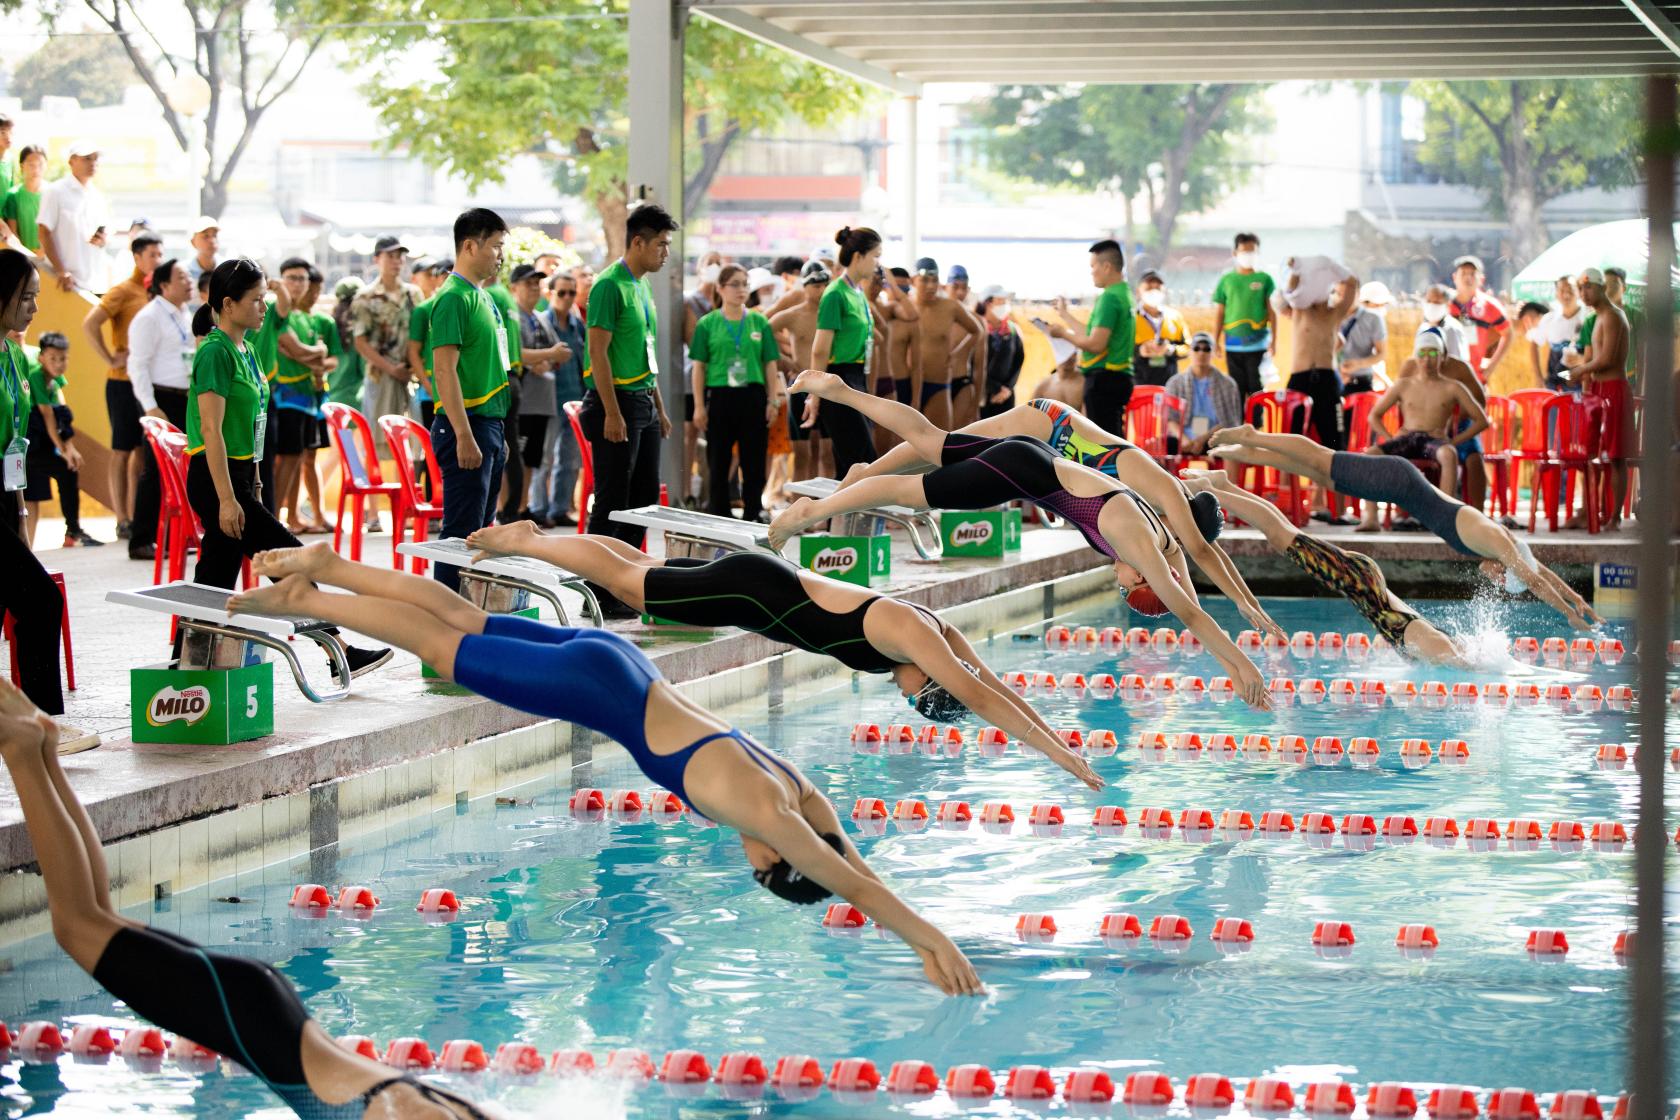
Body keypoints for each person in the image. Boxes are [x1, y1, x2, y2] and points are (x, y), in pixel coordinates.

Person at [217, 549, 985, 997]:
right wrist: (925, 939)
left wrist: (871, 883)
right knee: (440, 644)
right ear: (773, 856)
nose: (752, 860)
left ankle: (327, 571)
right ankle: (311, 600)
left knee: (462, 619)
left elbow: (840, 850)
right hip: (597, 689)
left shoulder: (789, 786)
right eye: (762, 870)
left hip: (627, 664)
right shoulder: (759, 811)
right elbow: (837, 872)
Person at [0, 679, 503, 1118]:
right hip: (246, 1016)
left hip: (263, 1011)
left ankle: (43, 750)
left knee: (94, 918)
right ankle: (24, 753)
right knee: (76, 925)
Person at [470, 520, 1101, 792]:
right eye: (913, 696)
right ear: (926, 682)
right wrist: (1060, 757)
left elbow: (987, 682)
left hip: (759, 587)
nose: (902, 693)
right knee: (631, 584)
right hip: (753, 591)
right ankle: (533, 542)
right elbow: (984, 698)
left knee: (639, 569)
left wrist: (1055, 736)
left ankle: (543, 541)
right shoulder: (911, 637)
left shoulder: (934, 636)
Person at [772, 371, 1274, 707]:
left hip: (1030, 459)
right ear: (1140, 575)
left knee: (930, 444)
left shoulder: (1160, 542)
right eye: (1125, 586)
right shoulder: (1139, 539)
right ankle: (812, 508)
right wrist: (1242, 663)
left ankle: (842, 402)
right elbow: (1189, 606)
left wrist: (1236, 648)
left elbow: (1187, 596)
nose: (1116, 578)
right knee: (913, 485)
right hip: (1020, 467)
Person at [837, 392, 1281, 640]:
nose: (1179, 546)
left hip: (1045, 451)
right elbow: (1202, 553)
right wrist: (1246, 602)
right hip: (1046, 427)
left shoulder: (1159, 516)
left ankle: (869, 474)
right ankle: (867, 471)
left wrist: (1232, 607)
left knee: (942, 454)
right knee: (940, 444)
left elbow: (1189, 573)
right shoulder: (1163, 491)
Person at [185, 258, 391, 676]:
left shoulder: (247, 350)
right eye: (256, 300)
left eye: (265, 298)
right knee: (289, 559)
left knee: (215, 576)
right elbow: (211, 429)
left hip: (241, 476)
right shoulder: (214, 353)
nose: (265, 306)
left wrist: (255, 482)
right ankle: (339, 649)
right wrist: (228, 498)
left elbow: (253, 424)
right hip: (215, 476)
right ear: (228, 304)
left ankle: (190, 664)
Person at [1206, 423, 1600, 629]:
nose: (1497, 580)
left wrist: (1577, 601)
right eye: (1504, 580)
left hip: (1399, 485)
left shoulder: (1502, 549)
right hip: (1399, 481)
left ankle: (1250, 452)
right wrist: (1566, 615)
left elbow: (1537, 570)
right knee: (1322, 460)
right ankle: (1255, 437)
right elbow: (1534, 578)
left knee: (1322, 475)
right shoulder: (1498, 543)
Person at [1180, 470, 1472, 666]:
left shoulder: (1430, 638)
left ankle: (1224, 486)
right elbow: (1461, 662)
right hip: (1357, 580)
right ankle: (1215, 489)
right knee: (1280, 533)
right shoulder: (1438, 649)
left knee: (1284, 531)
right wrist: (1473, 669)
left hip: (1362, 578)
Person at [0, 252, 96, 748]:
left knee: (28, 601)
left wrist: (18, 511)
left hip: (3, 494)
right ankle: (42, 723)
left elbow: (14, 438)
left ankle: (33, 722)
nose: (35, 307)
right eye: (26, 298)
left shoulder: (15, 356)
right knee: (41, 600)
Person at [582, 204, 677, 605]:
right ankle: (597, 589)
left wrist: (659, 407)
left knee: (643, 502)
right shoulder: (609, 285)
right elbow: (598, 353)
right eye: (660, 244)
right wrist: (613, 412)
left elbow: (644, 351)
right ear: (638, 242)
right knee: (612, 502)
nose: (665, 253)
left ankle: (627, 582)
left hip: (643, 403)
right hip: (614, 404)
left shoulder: (641, 287)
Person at [427, 209, 511, 592]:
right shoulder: (452, 299)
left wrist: (496, 431)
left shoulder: (483, 298)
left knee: (481, 531)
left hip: (488, 423)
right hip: (467, 425)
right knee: (460, 535)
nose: (500, 256)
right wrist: (463, 434)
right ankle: (445, 621)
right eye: (495, 247)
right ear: (469, 245)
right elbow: (444, 371)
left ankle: (469, 615)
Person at [83, 232, 161, 554]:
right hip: (120, 381)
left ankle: (136, 515)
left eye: (160, 254)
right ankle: (121, 517)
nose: (157, 260)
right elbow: (91, 323)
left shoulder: (157, 293)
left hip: (147, 382)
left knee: (142, 453)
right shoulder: (123, 291)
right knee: (121, 450)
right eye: (152, 254)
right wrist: (109, 356)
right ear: (137, 257)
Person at [690, 264, 786, 523]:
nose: (741, 289)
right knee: (718, 459)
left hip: (752, 396)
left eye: (745, 284)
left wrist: (773, 400)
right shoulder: (708, 324)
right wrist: (699, 405)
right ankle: (719, 512)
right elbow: (698, 367)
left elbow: (770, 364)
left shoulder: (759, 321)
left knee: (754, 458)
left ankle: (753, 510)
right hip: (720, 396)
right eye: (735, 284)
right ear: (720, 288)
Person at [1360, 327, 1489, 513]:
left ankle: (1445, 513)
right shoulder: (1403, 384)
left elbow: (1481, 420)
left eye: (1433, 354)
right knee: (1371, 453)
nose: (1427, 359)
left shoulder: (1453, 386)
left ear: (1442, 357)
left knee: (1449, 454)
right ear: (1416, 357)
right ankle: (1370, 517)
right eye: (1422, 354)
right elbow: (1374, 416)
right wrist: (1390, 437)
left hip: (1433, 440)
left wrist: (1453, 441)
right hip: (1407, 438)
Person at [125, 258, 196, 549]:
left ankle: (173, 537)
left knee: (182, 470)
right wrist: (150, 406)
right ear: (164, 285)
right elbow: (137, 365)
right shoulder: (149, 317)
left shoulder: (184, 313)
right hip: (160, 398)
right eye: (181, 277)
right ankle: (141, 539)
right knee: (155, 470)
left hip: (184, 398)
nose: (189, 280)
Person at [802, 226, 883, 478]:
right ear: (859, 257)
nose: (878, 264)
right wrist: (815, 394)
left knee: (851, 464)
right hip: (838, 380)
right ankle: (854, 517)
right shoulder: (835, 294)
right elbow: (820, 349)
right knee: (862, 463)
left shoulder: (857, 293)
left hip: (857, 378)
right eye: (876, 256)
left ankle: (841, 519)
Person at [1047, 239, 1133, 435]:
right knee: (1112, 437)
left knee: (1102, 443)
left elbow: (1095, 344)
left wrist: (1062, 334)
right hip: (1118, 378)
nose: (1091, 272)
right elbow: (1092, 333)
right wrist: (1064, 315)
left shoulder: (1109, 297)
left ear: (1107, 266)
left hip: (1105, 379)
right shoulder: (1124, 293)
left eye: (1093, 266)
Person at [1568, 267, 1632, 529]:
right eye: (1580, 289)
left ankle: (1615, 517)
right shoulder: (1596, 318)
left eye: (1588, 288)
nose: (1584, 294)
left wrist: (1580, 370)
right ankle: (1590, 511)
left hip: (1614, 389)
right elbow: (1593, 359)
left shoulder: (1614, 316)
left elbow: (1608, 359)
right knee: (1589, 454)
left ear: (1601, 288)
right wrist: (1584, 382)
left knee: (1617, 457)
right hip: (1597, 391)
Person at [274, 261, 334, 534]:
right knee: (286, 459)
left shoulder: (311, 319)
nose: (297, 283)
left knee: (298, 458)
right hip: (284, 395)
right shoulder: (278, 312)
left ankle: (293, 516)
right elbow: (292, 351)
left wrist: (313, 355)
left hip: (308, 396)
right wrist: (316, 353)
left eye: (302, 278)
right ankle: (275, 517)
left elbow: (319, 356)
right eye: (291, 278)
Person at [22, 332, 97, 547]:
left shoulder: (55, 379)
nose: (58, 364)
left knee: (68, 471)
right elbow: (48, 417)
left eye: (63, 358)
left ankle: (72, 530)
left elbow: (61, 413)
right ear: (41, 357)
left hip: (46, 439)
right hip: (32, 443)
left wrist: (70, 448)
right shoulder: (36, 376)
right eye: (53, 358)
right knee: (63, 470)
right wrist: (64, 451)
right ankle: (72, 529)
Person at [1278, 257, 1358, 459]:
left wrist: (1332, 266)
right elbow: (1291, 290)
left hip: (1327, 379)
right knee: (1290, 444)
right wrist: (1298, 269)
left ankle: (1328, 491)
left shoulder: (1335, 313)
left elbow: (1352, 283)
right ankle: (1287, 489)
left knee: (1335, 445)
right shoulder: (1299, 310)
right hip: (1300, 379)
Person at [350, 235, 418, 458]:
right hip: (381, 376)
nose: (396, 261)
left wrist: (413, 369)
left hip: (411, 377)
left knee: (412, 443)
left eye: (400, 256)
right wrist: (392, 369)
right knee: (378, 442)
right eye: (390, 256)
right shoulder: (365, 297)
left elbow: (421, 336)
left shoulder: (413, 294)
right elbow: (360, 342)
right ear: (377, 259)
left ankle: (407, 492)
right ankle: (377, 492)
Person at [509, 263, 566, 523]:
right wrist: (545, 356)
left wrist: (547, 359)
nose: (533, 288)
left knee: (533, 459)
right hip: (523, 400)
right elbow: (516, 354)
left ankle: (523, 507)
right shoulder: (512, 318)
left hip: (542, 400)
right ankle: (508, 508)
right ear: (514, 288)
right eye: (527, 283)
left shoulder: (540, 317)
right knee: (515, 459)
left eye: (536, 283)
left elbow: (560, 351)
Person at [769, 260, 833, 483]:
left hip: (827, 385)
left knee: (828, 454)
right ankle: (799, 511)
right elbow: (760, 333)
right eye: (816, 285)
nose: (821, 290)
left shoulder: (834, 314)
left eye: (825, 284)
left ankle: (826, 515)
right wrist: (785, 361)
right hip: (801, 385)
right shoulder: (794, 315)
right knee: (802, 455)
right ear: (804, 287)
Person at [907, 256, 983, 432]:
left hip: (938, 385)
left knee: (941, 446)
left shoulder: (950, 307)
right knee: (902, 448)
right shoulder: (904, 307)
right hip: (906, 384)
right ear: (913, 281)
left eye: (934, 280)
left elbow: (977, 330)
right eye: (925, 280)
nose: (931, 286)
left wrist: (956, 353)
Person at [538, 272, 586, 526]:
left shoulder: (578, 325)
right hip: (548, 400)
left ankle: (559, 509)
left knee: (569, 459)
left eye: (571, 292)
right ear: (550, 293)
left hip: (574, 398)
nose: (567, 298)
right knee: (545, 458)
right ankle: (539, 509)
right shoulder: (542, 322)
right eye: (562, 292)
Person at [35, 142, 112, 294]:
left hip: (94, 283)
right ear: (71, 161)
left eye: (95, 159)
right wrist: (61, 271)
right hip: (65, 282)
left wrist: (102, 239)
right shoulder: (55, 191)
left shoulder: (97, 196)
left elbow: (105, 235)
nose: (93, 163)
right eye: (87, 158)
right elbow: (44, 232)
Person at [682, 251, 724, 507]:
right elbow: (693, 341)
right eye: (710, 264)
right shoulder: (690, 301)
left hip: (720, 379)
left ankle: (712, 491)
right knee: (690, 433)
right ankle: (687, 490)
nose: (715, 268)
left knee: (718, 437)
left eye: (719, 264)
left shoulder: (726, 303)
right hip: (693, 376)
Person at [1212, 233, 1276, 399]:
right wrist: (1216, 340)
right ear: (1235, 253)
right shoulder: (1227, 280)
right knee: (1236, 390)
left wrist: (1274, 342)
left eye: (1252, 251)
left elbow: (1272, 312)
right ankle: (1238, 424)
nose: (1248, 255)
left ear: (1258, 253)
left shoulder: (1265, 279)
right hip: (1232, 345)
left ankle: (1257, 424)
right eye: (1244, 251)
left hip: (1258, 345)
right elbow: (1220, 312)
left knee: (1257, 388)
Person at [1163, 331, 1243, 455]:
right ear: (1190, 352)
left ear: (1213, 353)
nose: (1201, 353)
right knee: (1162, 445)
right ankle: (1168, 475)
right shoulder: (1175, 383)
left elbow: (1231, 422)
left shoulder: (1227, 384)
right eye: (1196, 348)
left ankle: (1229, 475)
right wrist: (1184, 439)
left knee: (1229, 445)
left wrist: (1203, 438)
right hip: (1184, 436)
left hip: (1215, 436)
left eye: (1206, 349)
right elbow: (1170, 419)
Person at [1448, 255, 1511, 380]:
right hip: (1446, 375)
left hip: (1474, 376)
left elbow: (1509, 333)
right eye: (1464, 273)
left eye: (1472, 273)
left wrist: (1491, 366)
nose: (1468, 277)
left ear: (1481, 279)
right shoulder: (1444, 304)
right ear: (1455, 278)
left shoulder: (1490, 305)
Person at [1132, 270, 1190, 388]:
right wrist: (1139, 351)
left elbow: (1188, 348)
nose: (1154, 292)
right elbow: (1119, 349)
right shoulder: (1130, 319)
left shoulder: (1175, 317)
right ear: (1138, 291)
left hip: (1170, 384)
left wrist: (1170, 350)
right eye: (1148, 288)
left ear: (1165, 291)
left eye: (1158, 288)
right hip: (1139, 383)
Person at [976, 285, 1023, 418]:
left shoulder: (1012, 330)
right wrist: (995, 388)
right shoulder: (977, 328)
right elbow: (973, 364)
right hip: (982, 396)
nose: (1005, 305)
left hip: (1006, 397)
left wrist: (1007, 388)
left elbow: (1019, 360)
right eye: (1001, 300)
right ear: (988, 303)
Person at [1529, 275, 1584, 391]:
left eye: (1570, 290)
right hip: (1554, 387)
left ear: (1579, 292)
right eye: (1562, 290)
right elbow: (1534, 344)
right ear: (1556, 294)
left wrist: (1583, 359)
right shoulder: (1549, 319)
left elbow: (1602, 352)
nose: (1566, 294)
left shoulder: (1588, 319)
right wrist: (1538, 376)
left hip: (1581, 387)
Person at [1338, 280, 1391, 397]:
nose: (1379, 308)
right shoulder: (1332, 317)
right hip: (1336, 381)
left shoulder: (1374, 319)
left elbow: (1381, 354)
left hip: (1362, 383)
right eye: (1375, 304)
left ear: (1357, 293)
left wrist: (1358, 364)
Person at [326, 276, 365, 408]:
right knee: (346, 430)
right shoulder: (359, 332)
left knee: (338, 429)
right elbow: (365, 369)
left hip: (329, 399)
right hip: (354, 402)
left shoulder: (328, 326)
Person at [2, 144, 44, 255]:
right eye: (31, 165)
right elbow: (13, 232)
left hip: (50, 256)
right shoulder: (13, 195)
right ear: (22, 166)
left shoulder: (53, 193)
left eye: (40, 164)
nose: (36, 169)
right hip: (24, 256)